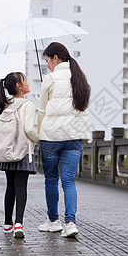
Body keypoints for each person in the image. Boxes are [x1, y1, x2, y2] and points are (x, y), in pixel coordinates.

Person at [37, 42, 91, 238]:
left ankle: (53, 221)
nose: (47, 65)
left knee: (51, 179)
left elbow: (42, 111)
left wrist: (39, 133)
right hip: (74, 138)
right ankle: (70, 223)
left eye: (47, 61)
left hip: (51, 138)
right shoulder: (81, 79)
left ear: (55, 58)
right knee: (69, 181)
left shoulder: (50, 79)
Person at [0, 72, 39, 239]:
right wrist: (40, 139)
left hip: (7, 151)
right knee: (21, 187)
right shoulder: (27, 104)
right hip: (22, 152)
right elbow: (29, 129)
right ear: (19, 86)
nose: (28, 82)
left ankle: (8, 224)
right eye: (25, 80)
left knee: (10, 187)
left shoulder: (6, 104)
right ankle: (19, 223)